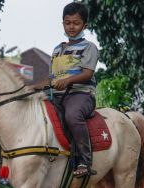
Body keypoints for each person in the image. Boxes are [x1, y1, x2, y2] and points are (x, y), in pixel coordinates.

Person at [32, 2, 99, 178]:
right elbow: (53, 78)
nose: (71, 26)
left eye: (76, 23)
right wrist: (35, 86)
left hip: (82, 94)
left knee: (72, 116)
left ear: (85, 25)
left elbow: (87, 73)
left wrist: (67, 80)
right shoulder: (57, 49)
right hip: (58, 96)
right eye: (67, 22)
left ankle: (85, 160)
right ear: (62, 23)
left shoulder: (88, 47)